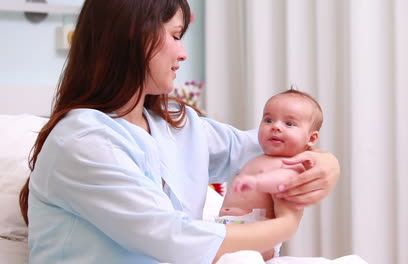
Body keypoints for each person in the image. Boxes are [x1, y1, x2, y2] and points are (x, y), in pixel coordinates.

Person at [18, 0, 340, 263]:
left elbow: (259, 145)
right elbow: (173, 238)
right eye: (175, 36)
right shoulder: (82, 140)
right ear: (135, 34)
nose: (183, 53)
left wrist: (326, 164)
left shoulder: (175, 123)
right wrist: (286, 225)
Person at [218, 90, 323, 261]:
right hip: (228, 229)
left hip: (256, 237)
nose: (275, 126)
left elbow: (282, 183)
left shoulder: (292, 164)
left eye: (289, 123)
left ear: (311, 138)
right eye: (268, 120)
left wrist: (257, 183)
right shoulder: (260, 158)